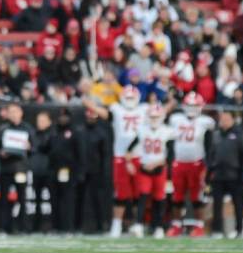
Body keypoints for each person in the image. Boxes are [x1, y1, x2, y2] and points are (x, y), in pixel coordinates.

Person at [84, 86, 150, 238]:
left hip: (139, 156)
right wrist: (90, 104)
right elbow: (105, 114)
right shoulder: (117, 109)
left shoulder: (144, 109)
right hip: (121, 156)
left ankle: (137, 224)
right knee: (121, 193)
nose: (129, 101)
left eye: (132, 98)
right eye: (127, 98)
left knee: (139, 193)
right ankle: (117, 225)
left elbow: (160, 112)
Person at [167, 92, 214, 237]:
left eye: (194, 105)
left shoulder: (205, 121)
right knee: (177, 196)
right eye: (189, 105)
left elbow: (209, 144)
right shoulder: (176, 119)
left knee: (196, 196)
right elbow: (170, 142)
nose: (192, 108)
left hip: (197, 163)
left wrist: (207, 165)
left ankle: (199, 226)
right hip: (179, 163)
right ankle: (176, 225)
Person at [126, 104, 173, 239]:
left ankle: (158, 227)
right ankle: (139, 225)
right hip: (144, 168)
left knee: (159, 199)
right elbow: (129, 148)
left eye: (156, 117)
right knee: (143, 197)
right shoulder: (142, 130)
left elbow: (171, 155)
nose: (154, 119)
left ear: (162, 117)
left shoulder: (167, 131)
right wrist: (129, 163)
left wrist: (157, 163)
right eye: (152, 116)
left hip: (159, 169)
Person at [208, 111, 243, 238]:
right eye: (222, 118)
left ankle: (240, 230)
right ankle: (217, 230)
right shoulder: (216, 135)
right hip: (218, 175)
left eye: (227, 118)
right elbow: (210, 155)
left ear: (232, 120)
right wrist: (210, 171)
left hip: (234, 175)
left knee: (238, 204)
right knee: (217, 204)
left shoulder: (239, 134)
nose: (224, 121)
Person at [0, 103, 35, 234]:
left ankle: (23, 227)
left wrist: (29, 147)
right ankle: (4, 227)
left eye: (15, 111)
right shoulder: (3, 129)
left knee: (22, 199)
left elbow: (35, 148)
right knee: (4, 200)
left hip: (20, 168)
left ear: (21, 113)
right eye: (11, 112)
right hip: (6, 168)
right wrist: (1, 153)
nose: (13, 114)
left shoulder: (28, 129)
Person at [47, 108, 85, 234]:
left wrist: (79, 172)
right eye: (60, 117)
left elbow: (80, 153)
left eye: (65, 117)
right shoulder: (53, 132)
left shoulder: (75, 132)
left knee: (68, 200)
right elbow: (46, 148)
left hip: (69, 171)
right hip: (54, 170)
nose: (63, 119)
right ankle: (56, 226)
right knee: (54, 200)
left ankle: (69, 226)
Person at [80, 107, 110, 233]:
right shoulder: (80, 131)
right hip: (81, 170)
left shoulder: (101, 132)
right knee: (79, 199)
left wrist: (104, 171)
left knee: (98, 199)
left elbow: (105, 154)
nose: (90, 118)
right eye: (89, 116)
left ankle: (100, 225)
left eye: (93, 116)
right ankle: (78, 225)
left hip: (96, 171)